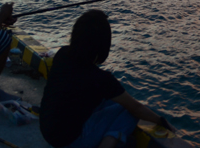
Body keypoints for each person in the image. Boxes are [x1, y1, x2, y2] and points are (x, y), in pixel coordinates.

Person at [40, 10, 176, 148]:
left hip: (47, 132)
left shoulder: (62, 54)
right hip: (70, 142)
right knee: (128, 111)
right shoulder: (100, 78)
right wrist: (161, 122)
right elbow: (136, 108)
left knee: (113, 103)